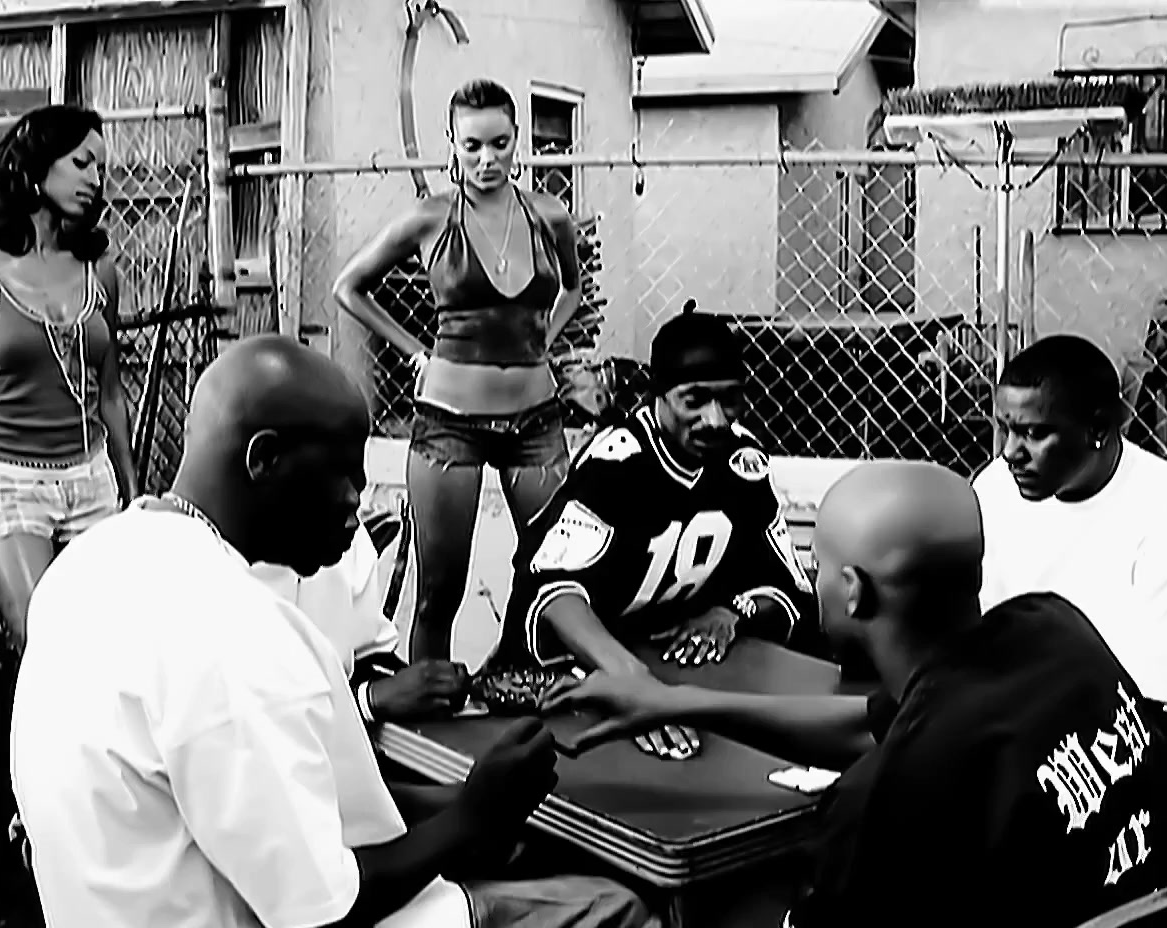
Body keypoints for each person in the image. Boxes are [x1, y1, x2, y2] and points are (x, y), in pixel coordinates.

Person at [10, 335, 661, 928]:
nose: (359, 500)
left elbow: (274, 809)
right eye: (345, 475)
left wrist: (471, 803)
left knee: (516, 857)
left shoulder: (90, 566)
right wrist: (469, 821)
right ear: (264, 459)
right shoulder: (236, 630)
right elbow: (315, 910)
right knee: (623, 919)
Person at [546, 461, 1167, 928]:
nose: (812, 577)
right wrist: (676, 701)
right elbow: (880, 723)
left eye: (817, 566)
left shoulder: (884, 798)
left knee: (701, 926)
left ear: (853, 591)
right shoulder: (1053, 632)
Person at [491, 305, 817, 761]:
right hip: (569, 677)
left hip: (671, 668)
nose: (715, 419)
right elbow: (553, 593)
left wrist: (731, 611)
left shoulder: (742, 460)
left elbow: (789, 587)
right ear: (658, 395)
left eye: (730, 399)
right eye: (694, 400)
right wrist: (634, 683)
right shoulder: (617, 464)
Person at [332, 77, 583, 663]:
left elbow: (571, 289)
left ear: (517, 139)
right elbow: (350, 288)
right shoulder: (430, 219)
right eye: (472, 145)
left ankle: (526, 684)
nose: (487, 158)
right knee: (439, 594)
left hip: (536, 424)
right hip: (450, 423)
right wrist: (418, 353)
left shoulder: (550, 216)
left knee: (556, 577)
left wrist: (541, 340)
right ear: (452, 143)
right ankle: (431, 710)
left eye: (499, 143)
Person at [976, 334, 1167, 856]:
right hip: (1035, 705)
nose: (1010, 452)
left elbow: (1144, 708)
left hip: (1162, 725)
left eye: (1034, 433)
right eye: (1005, 428)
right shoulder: (995, 489)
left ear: (1099, 430)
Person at [0, 103, 139, 645]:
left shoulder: (99, 270)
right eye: (81, 162)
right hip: (10, 485)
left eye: (101, 167)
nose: (95, 178)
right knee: (48, 649)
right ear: (36, 165)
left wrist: (131, 491)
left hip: (93, 482)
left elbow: (109, 391)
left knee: (110, 651)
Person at [250, 519, 473, 733]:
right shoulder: (235, 570)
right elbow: (259, 720)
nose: (354, 518)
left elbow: (365, 655)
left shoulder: (350, 543)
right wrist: (368, 700)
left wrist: (424, 683)